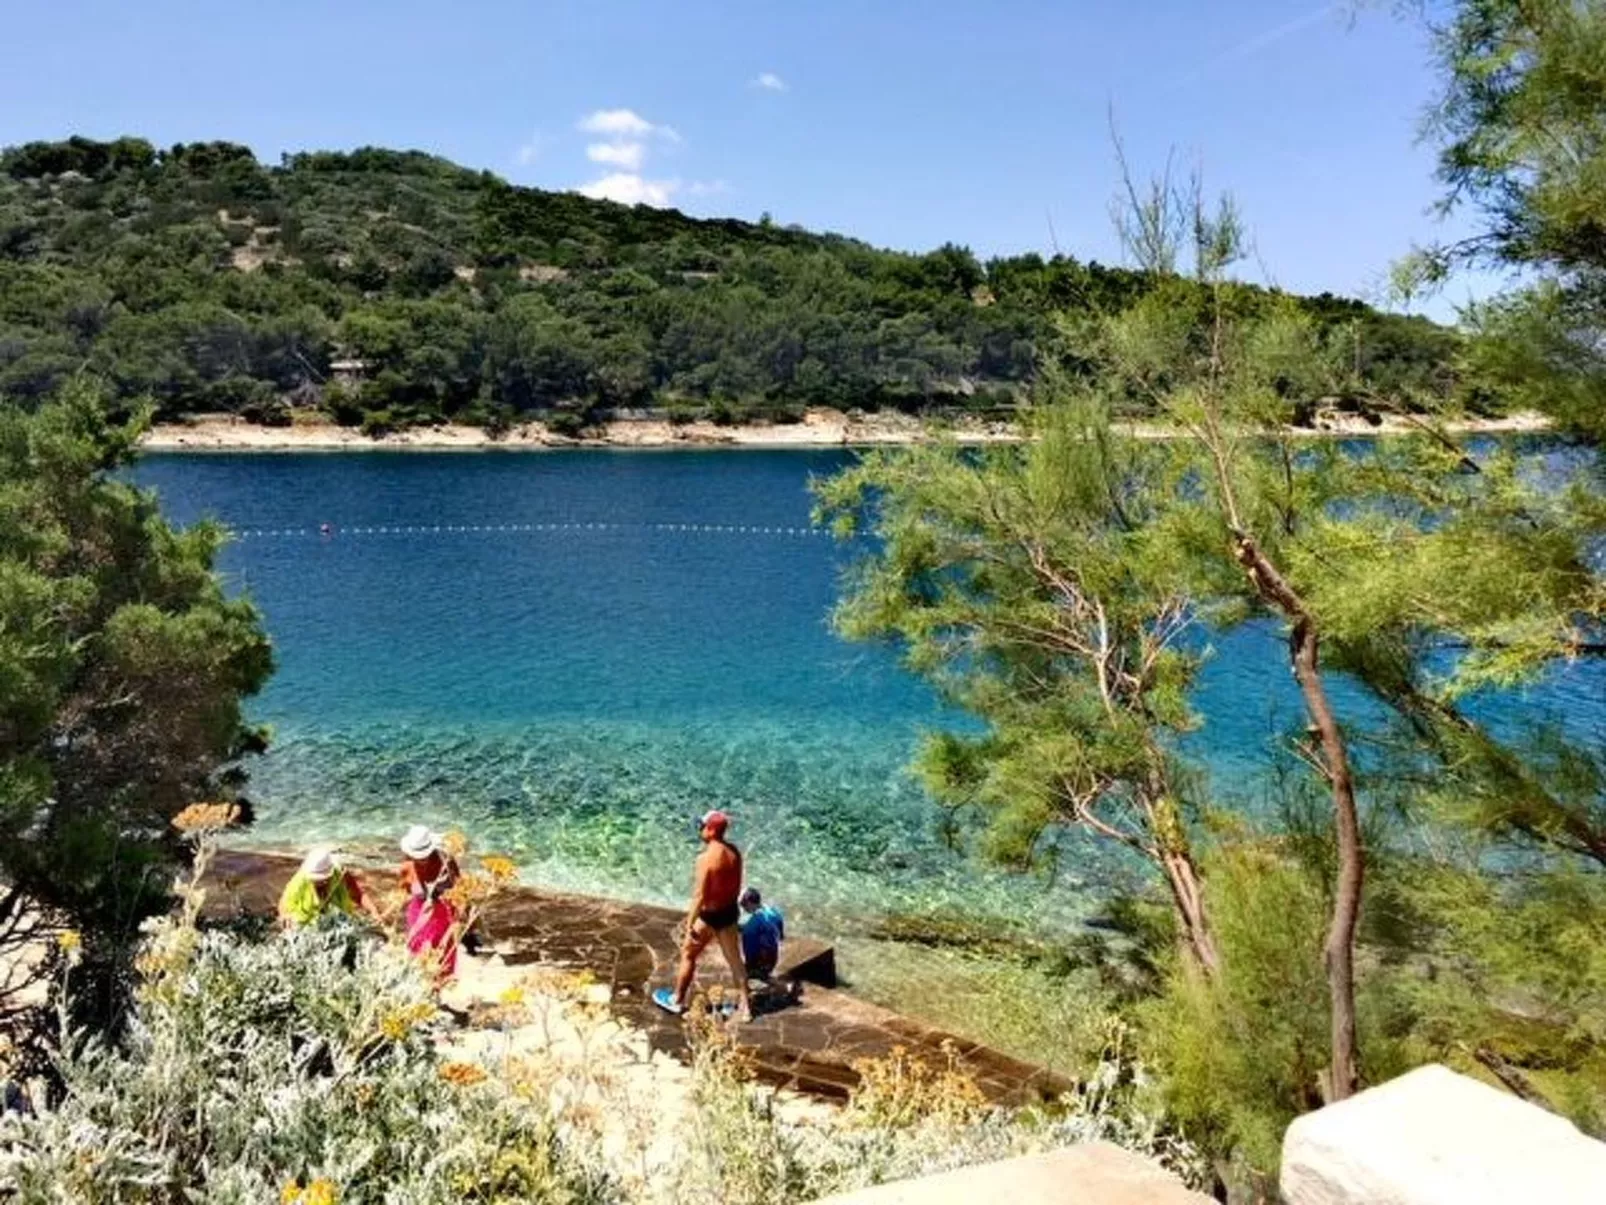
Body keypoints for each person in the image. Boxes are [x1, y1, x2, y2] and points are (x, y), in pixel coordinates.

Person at [654, 811, 751, 1021]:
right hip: (729, 913)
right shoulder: (734, 852)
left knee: (688, 954)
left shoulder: (705, 859)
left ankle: (677, 1000)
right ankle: (746, 1009)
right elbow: (736, 884)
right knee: (735, 961)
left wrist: (690, 924)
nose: (700, 829)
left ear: (711, 830)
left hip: (710, 916)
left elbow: (699, 896)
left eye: (702, 826)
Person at [398, 825, 462, 980]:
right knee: (419, 953)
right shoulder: (406, 868)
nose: (421, 860)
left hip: (443, 912)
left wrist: (460, 915)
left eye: (424, 855)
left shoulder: (446, 861)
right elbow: (403, 892)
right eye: (417, 857)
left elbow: (461, 887)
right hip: (418, 911)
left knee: (443, 953)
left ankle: (436, 994)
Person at [278, 846, 380, 928]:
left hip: (339, 922)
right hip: (308, 925)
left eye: (323, 880)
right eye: (316, 881)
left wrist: (374, 911)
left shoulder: (340, 874)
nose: (320, 883)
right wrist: (284, 916)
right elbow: (283, 902)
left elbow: (359, 895)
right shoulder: (301, 879)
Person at [738, 887, 785, 981]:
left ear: (749, 903)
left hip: (760, 967)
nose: (743, 908)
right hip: (773, 962)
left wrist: (747, 968)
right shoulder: (775, 912)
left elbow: (749, 953)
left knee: (738, 971)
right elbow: (781, 937)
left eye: (743, 904)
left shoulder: (751, 926)